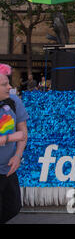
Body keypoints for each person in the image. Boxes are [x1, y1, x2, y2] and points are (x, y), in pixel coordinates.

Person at [0, 63, 28, 224]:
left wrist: (18, 156)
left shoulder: (14, 101)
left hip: (8, 169)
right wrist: (10, 138)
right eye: (4, 84)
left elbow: (23, 131)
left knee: (13, 207)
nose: (9, 87)